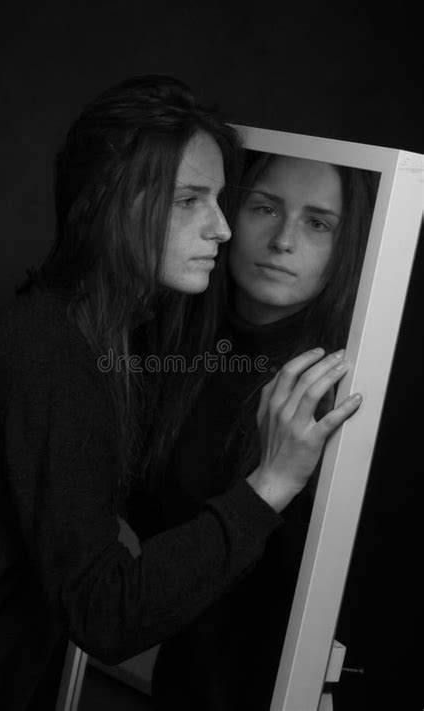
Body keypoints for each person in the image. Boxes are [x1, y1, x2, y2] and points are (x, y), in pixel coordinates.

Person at [0, 76, 361, 711]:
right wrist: (272, 482)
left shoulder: (93, 333)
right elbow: (105, 615)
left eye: (222, 200)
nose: (222, 230)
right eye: (190, 200)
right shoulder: (47, 354)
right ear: (112, 204)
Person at [149, 151, 377, 710]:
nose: (282, 241)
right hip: (186, 672)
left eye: (318, 223)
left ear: (350, 248)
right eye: (265, 208)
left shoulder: (355, 378)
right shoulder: (165, 341)